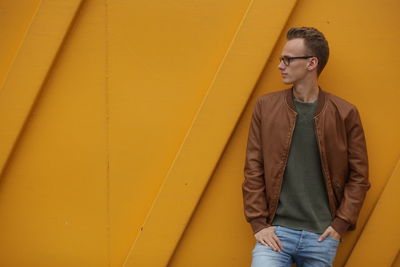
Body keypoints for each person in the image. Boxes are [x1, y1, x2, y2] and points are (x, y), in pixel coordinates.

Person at [242, 27, 370, 267]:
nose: (280, 65)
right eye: (282, 59)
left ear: (312, 63)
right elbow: (253, 169)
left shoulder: (345, 113)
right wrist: (258, 224)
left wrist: (339, 225)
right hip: (275, 234)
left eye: (288, 59)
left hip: (321, 236)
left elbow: (359, 177)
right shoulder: (265, 107)